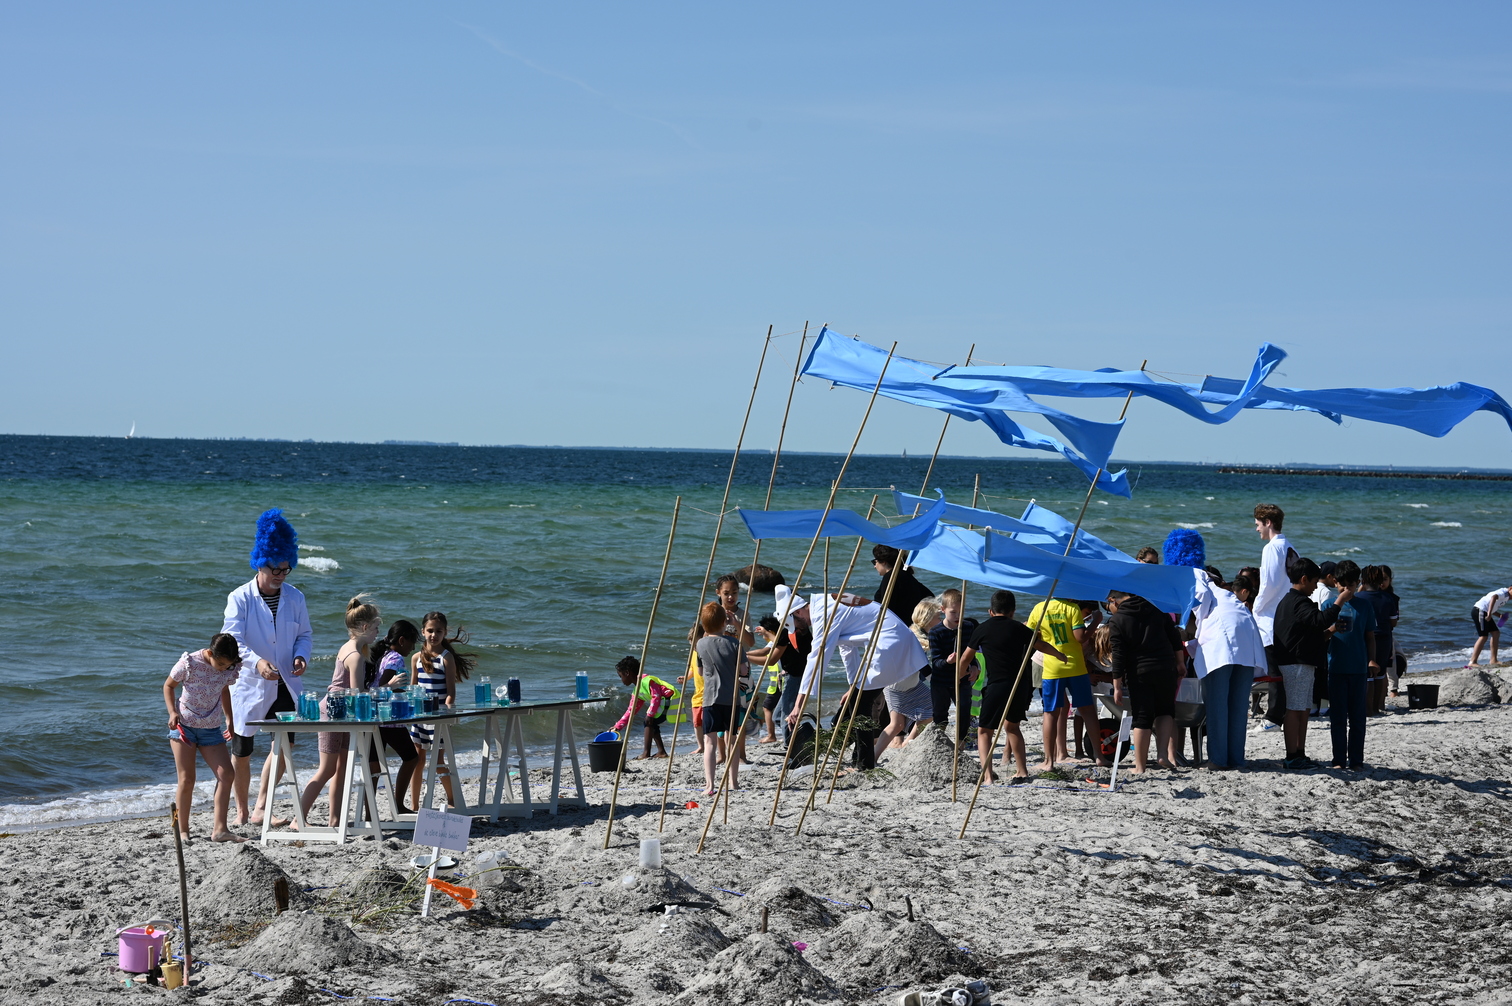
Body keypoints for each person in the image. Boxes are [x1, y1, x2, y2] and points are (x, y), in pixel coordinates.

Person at [224, 508, 313, 828]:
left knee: (284, 744)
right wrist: (256, 661)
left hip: (285, 681)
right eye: (275, 568)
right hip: (249, 682)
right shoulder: (240, 598)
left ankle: (261, 806)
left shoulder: (295, 598)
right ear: (259, 563)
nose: (280, 574)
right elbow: (231, 640)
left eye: (286, 568)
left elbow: (304, 635)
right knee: (242, 749)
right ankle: (241, 810)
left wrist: (301, 656)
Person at [786, 591, 928, 772]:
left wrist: (798, 705)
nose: (801, 628)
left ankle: (865, 764)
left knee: (860, 704)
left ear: (797, 612)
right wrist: (853, 686)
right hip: (892, 643)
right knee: (857, 701)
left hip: (890, 645)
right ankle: (862, 760)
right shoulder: (825, 604)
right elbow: (847, 649)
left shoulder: (824, 613)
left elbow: (817, 658)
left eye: (797, 625)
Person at [959, 591, 1065, 783]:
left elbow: (966, 657)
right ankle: (1022, 771)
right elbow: (1041, 645)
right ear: (1013, 611)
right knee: (1012, 727)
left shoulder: (982, 629)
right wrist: (1059, 655)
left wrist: (959, 676)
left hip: (997, 686)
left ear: (990, 611)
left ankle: (988, 777)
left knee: (984, 731)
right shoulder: (1019, 628)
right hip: (1019, 686)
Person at [300, 596, 381, 828]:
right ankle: (298, 818)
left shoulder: (351, 648)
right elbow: (357, 694)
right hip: (333, 712)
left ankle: (334, 819)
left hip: (340, 711)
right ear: (364, 627)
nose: (377, 633)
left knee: (342, 768)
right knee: (327, 769)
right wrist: (383, 692)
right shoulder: (355, 655)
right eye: (375, 628)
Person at [162, 633, 245, 843]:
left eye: (228, 665)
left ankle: (220, 830)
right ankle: (182, 830)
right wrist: (172, 712)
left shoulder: (230, 668)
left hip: (211, 729)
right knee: (187, 779)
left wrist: (229, 719)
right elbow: (168, 686)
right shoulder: (189, 663)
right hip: (184, 727)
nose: (224, 668)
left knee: (227, 774)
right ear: (210, 653)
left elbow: (224, 690)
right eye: (221, 663)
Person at [1272, 557, 1348, 770]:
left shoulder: (1290, 601)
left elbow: (1311, 633)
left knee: (1303, 709)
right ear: (1304, 579)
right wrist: (1340, 600)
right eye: (1314, 582)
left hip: (1299, 661)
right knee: (1295, 709)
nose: (1316, 587)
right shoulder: (1298, 602)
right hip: (1296, 663)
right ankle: (1291, 755)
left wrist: (1332, 630)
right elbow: (1320, 619)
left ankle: (1299, 752)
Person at [1189, 571, 1267, 769]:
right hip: (1247, 646)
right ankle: (1235, 759)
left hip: (1222, 648)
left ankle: (1217, 760)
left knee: (1217, 706)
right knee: (1238, 707)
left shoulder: (1200, 582)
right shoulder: (1229, 596)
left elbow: (1201, 607)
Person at [1106, 590, 1184, 773]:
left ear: (1113, 601)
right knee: (1165, 711)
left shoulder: (1117, 620)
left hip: (1139, 671)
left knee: (1142, 717)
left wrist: (1117, 686)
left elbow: (1119, 656)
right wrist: (1180, 663)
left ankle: (1139, 766)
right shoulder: (1157, 609)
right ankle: (1162, 754)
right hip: (1166, 667)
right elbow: (1175, 638)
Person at [1025, 596, 1106, 771]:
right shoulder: (1072, 608)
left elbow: (1029, 637)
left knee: (1050, 713)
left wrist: (1049, 648)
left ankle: (1049, 761)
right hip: (1076, 666)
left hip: (1053, 668)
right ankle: (1099, 756)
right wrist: (1096, 621)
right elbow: (1080, 637)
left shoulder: (1039, 608)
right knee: (1088, 710)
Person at [408, 611, 475, 809]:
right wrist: (411, 712)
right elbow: (413, 689)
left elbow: (451, 693)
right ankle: (414, 805)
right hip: (420, 718)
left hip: (438, 718)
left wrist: (444, 714)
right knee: (417, 761)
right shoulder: (416, 658)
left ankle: (453, 800)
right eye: (430, 630)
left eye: (438, 631)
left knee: (438, 762)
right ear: (423, 631)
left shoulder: (446, 658)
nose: (434, 635)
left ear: (445, 633)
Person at [364, 619, 422, 813]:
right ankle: (398, 806)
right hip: (388, 720)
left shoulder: (383, 655)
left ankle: (369, 815)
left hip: (372, 716)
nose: (413, 648)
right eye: (412, 642)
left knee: (373, 767)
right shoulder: (396, 658)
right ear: (402, 640)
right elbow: (383, 686)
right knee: (411, 758)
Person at [1326, 560, 1378, 770]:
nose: (1347, 590)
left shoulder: (1364, 606)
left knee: (1357, 717)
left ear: (1358, 584)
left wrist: (1371, 660)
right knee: (1337, 717)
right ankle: (1339, 759)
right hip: (1336, 668)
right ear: (1335, 582)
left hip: (1358, 669)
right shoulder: (1329, 606)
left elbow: (1370, 636)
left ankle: (1356, 760)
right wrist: (1333, 629)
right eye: (1342, 585)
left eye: (1351, 585)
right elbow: (1320, 635)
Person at [871, 598, 939, 755]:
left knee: (933, 709)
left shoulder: (920, 634)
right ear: (928, 619)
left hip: (912, 684)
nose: (940, 620)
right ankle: (875, 755)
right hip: (897, 686)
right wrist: (938, 683)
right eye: (938, 617)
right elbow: (923, 667)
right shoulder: (915, 637)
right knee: (896, 725)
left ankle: (907, 744)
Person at [1251, 504, 1297, 725]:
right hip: (1287, 615)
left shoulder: (1271, 548)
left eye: (1258, 524)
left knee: (1274, 671)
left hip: (1271, 617)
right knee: (1283, 670)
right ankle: (1281, 713)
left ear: (1268, 523)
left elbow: (1268, 584)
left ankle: (1273, 717)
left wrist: (1256, 608)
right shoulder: (1290, 547)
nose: (1256, 529)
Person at [695, 603, 740, 795]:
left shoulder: (700, 644)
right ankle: (733, 782)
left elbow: (700, 671)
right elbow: (743, 670)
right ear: (724, 622)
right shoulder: (735, 643)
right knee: (732, 741)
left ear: (704, 625)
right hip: (732, 699)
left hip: (710, 699)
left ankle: (710, 786)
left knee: (710, 742)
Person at [927, 588, 979, 745]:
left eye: (961, 612)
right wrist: (948, 662)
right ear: (943, 610)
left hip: (962, 678)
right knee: (940, 714)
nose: (958, 616)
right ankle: (939, 743)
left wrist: (974, 666)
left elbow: (972, 654)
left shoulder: (968, 627)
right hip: (941, 680)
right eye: (953, 612)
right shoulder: (936, 632)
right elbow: (936, 662)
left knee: (964, 711)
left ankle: (961, 743)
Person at [612, 655, 677, 758]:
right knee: (651, 722)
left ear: (627, 673)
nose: (621, 680)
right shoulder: (637, 690)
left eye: (621, 676)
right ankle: (661, 752)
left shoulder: (647, 681)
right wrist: (618, 726)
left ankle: (646, 753)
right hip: (663, 702)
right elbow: (631, 710)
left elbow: (656, 696)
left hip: (669, 700)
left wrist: (650, 714)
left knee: (648, 721)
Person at [1357, 566, 1398, 715]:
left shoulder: (1359, 598)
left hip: (1364, 638)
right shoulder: (1388, 598)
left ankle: (1367, 709)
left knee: (1367, 674)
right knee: (1380, 674)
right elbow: (1393, 622)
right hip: (1383, 638)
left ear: (1362, 580)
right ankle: (1378, 706)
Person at [872, 545, 934, 624]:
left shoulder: (891, 576)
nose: (874, 566)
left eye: (875, 562)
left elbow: (887, 607)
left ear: (884, 562)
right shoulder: (906, 575)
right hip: (911, 624)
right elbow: (930, 597)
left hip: (896, 625)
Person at [1467, 585, 1512, 667]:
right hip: (1480, 610)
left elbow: (1491, 605)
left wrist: (1499, 615)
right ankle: (1472, 662)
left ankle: (1493, 660)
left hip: (1484, 611)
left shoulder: (1506, 596)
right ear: (1510, 588)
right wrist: (1489, 613)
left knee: (1496, 633)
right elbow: (1493, 597)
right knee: (1483, 636)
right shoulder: (1504, 593)